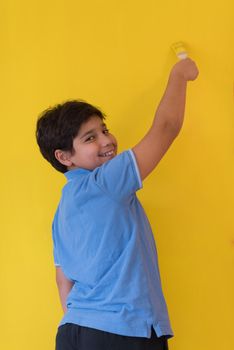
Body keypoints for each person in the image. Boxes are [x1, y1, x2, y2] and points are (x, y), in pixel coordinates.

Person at [36, 58, 199, 350]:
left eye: (104, 129)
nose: (107, 140)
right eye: (90, 137)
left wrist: (88, 328)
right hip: (123, 332)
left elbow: (64, 281)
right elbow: (166, 127)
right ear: (64, 157)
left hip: (74, 330)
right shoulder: (106, 182)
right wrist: (180, 74)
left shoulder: (62, 212)